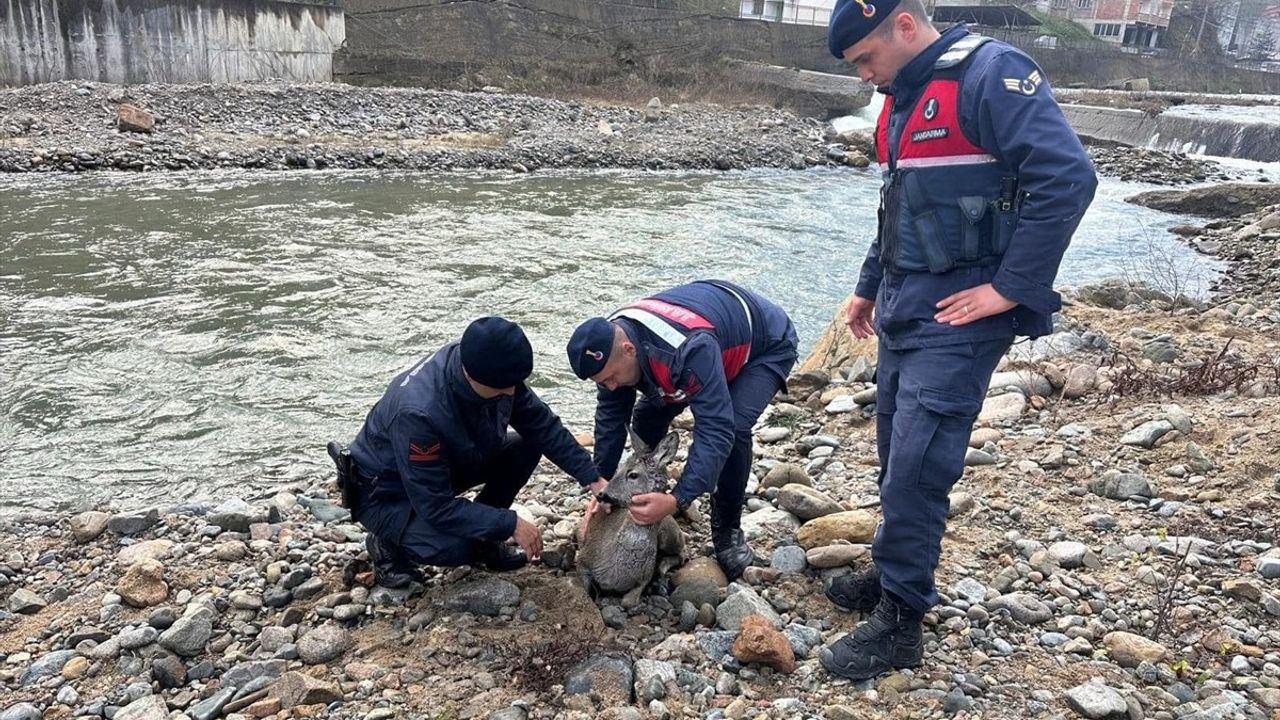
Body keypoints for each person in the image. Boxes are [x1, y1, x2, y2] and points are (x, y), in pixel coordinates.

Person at [819, 0, 1098, 681]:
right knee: (894, 453)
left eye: (865, 59)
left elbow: (1067, 179)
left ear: (905, 26)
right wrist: (866, 285)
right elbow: (899, 202)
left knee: (919, 464)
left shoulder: (992, 75)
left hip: (961, 317)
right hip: (905, 305)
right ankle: (892, 575)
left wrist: (1010, 289)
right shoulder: (903, 98)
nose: (864, 77)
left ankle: (902, 623)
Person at [337, 316, 606, 588]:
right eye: (505, 387)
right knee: (458, 549)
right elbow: (435, 505)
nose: (513, 392)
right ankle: (387, 545)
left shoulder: (492, 366)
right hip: (387, 494)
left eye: (516, 383)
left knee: (528, 444)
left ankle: (484, 537)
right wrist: (508, 523)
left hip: (447, 461)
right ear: (474, 377)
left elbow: (542, 425)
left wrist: (592, 476)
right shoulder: (419, 414)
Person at [566, 280, 799, 581]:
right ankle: (646, 491)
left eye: (611, 377)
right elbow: (612, 417)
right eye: (602, 382)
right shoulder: (609, 344)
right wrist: (604, 485)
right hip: (711, 340)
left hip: (764, 345)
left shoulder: (687, 350)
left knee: (735, 427)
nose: (610, 386)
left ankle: (727, 529)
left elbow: (716, 429)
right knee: (648, 415)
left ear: (628, 349)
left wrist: (679, 498)